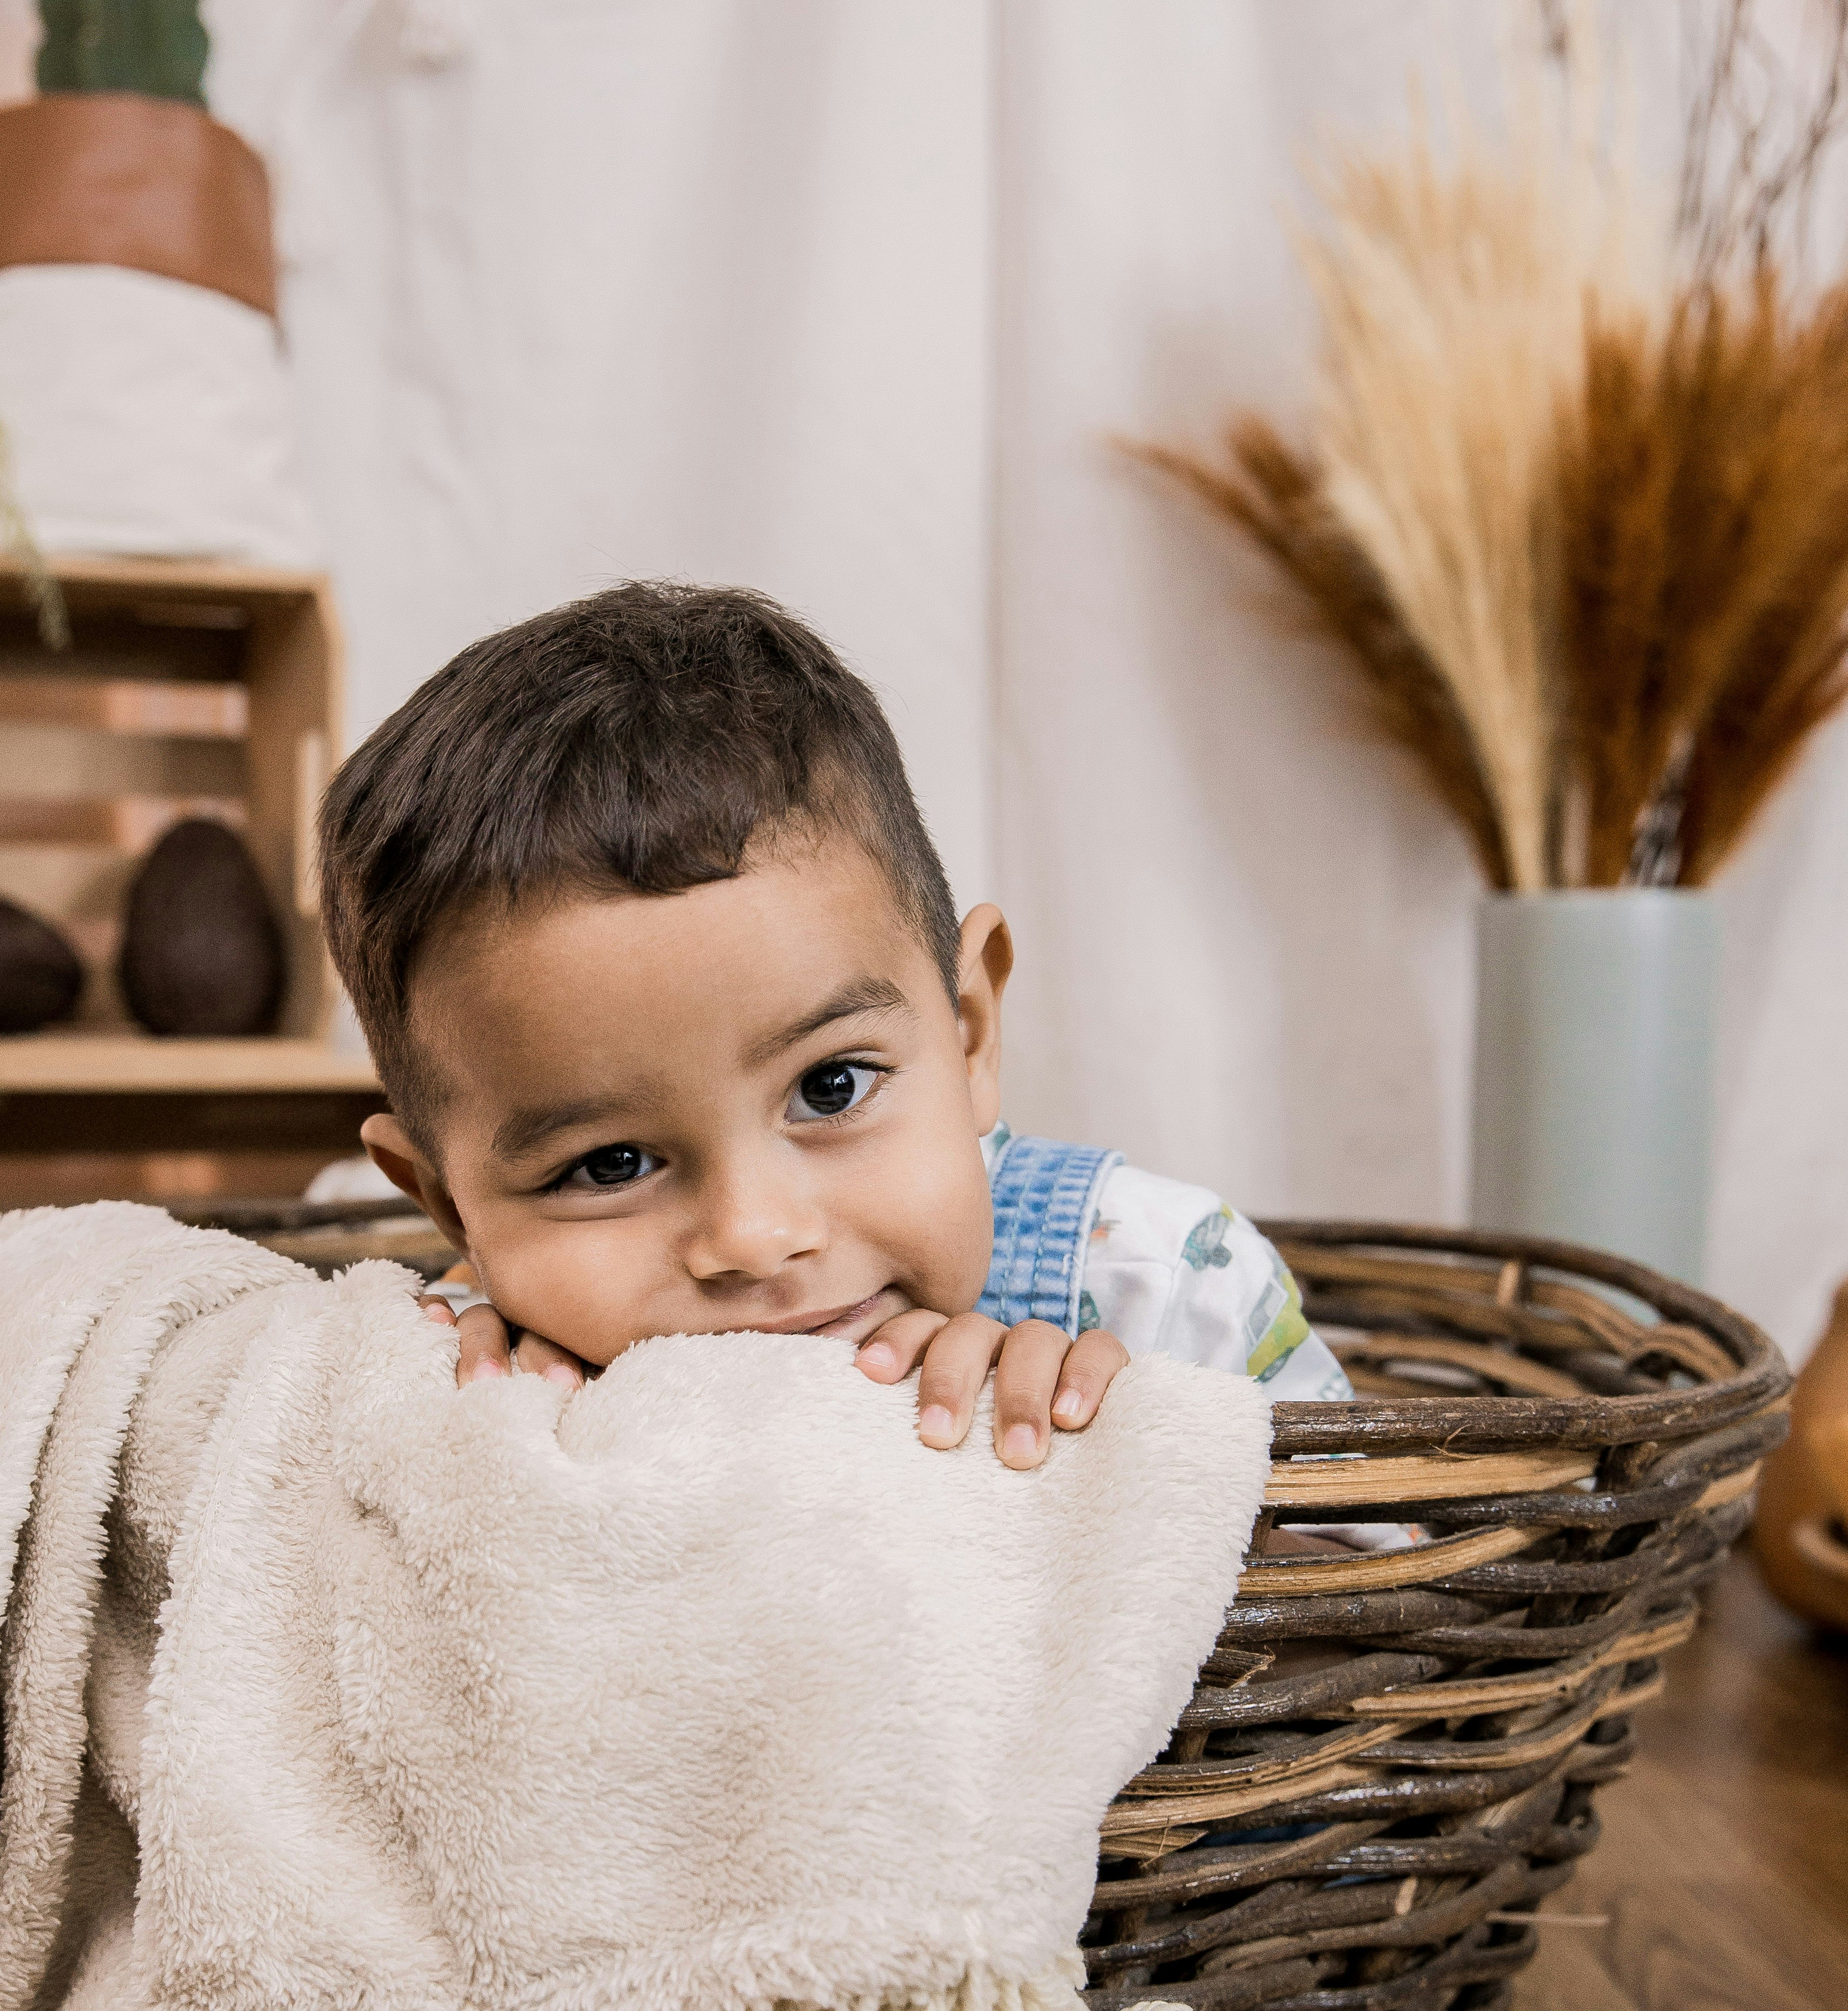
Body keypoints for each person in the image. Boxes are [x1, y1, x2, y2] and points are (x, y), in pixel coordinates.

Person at [317, 581, 1350, 1469]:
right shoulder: (462, 1374)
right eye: (610, 1163)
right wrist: (485, 1447)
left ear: (967, 1032)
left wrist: (1136, 1480)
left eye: (831, 1088)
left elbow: (1401, 1602)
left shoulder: (1162, 1283)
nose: (756, 1240)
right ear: (450, 1207)